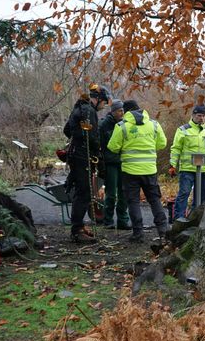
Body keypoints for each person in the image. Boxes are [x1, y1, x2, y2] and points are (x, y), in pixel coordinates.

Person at [107, 100, 169, 242]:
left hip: (130, 171)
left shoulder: (121, 126)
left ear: (127, 111)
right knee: (154, 200)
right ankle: (163, 231)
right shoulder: (154, 124)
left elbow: (113, 147)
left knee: (133, 201)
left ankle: (138, 233)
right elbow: (162, 143)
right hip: (149, 170)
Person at [63, 83, 109, 242]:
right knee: (84, 192)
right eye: (104, 103)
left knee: (82, 192)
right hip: (83, 157)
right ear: (99, 99)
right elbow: (94, 138)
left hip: (76, 155)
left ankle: (79, 226)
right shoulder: (88, 111)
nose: (103, 106)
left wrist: (78, 136)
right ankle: (77, 231)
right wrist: (98, 155)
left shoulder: (79, 108)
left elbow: (66, 130)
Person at [169, 104, 205, 223]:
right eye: (199, 115)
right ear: (193, 116)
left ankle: (195, 219)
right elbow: (176, 148)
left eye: (203, 116)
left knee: (202, 197)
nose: (201, 118)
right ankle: (178, 220)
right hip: (187, 169)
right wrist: (172, 165)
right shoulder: (183, 130)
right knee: (184, 193)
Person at [98, 99, 131, 230]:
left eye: (123, 110)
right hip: (110, 163)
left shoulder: (125, 124)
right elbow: (100, 144)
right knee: (111, 193)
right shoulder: (104, 125)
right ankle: (108, 221)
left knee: (123, 192)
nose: (122, 112)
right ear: (113, 112)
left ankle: (123, 220)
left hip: (123, 162)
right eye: (119, 110)